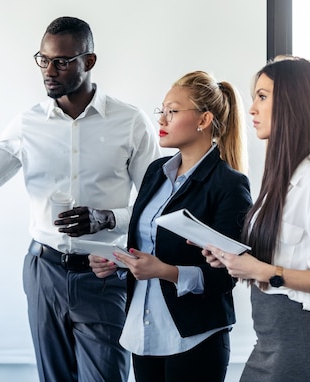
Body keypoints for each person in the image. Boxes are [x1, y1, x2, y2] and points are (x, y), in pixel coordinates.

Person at [0, 16, 161, 382]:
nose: (49, 71)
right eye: (44, 60)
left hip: (104, 273)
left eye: (62, 62)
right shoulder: (27, 123)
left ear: (89, 61)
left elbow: (154, 206)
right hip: (43, 271)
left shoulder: (130, 122)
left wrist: (106, 218)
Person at [90, 71, 253, 381]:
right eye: (161, 110)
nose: (161, 120)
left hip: (194, 337)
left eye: (172, 111)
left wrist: (165, 271)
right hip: (144, 331)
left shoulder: (229, 185)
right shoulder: (155, 173)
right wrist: (118, 263)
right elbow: (149, 244)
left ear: (204, 120)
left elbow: (227, 275)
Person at [203, 56, 310, 382]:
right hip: (272, 342)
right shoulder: (283, 178)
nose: (252, 108)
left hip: (300, 342)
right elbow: (280, 260)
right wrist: (235, 260)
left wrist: (265, 272)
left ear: (291, 102)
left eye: (262, 96)